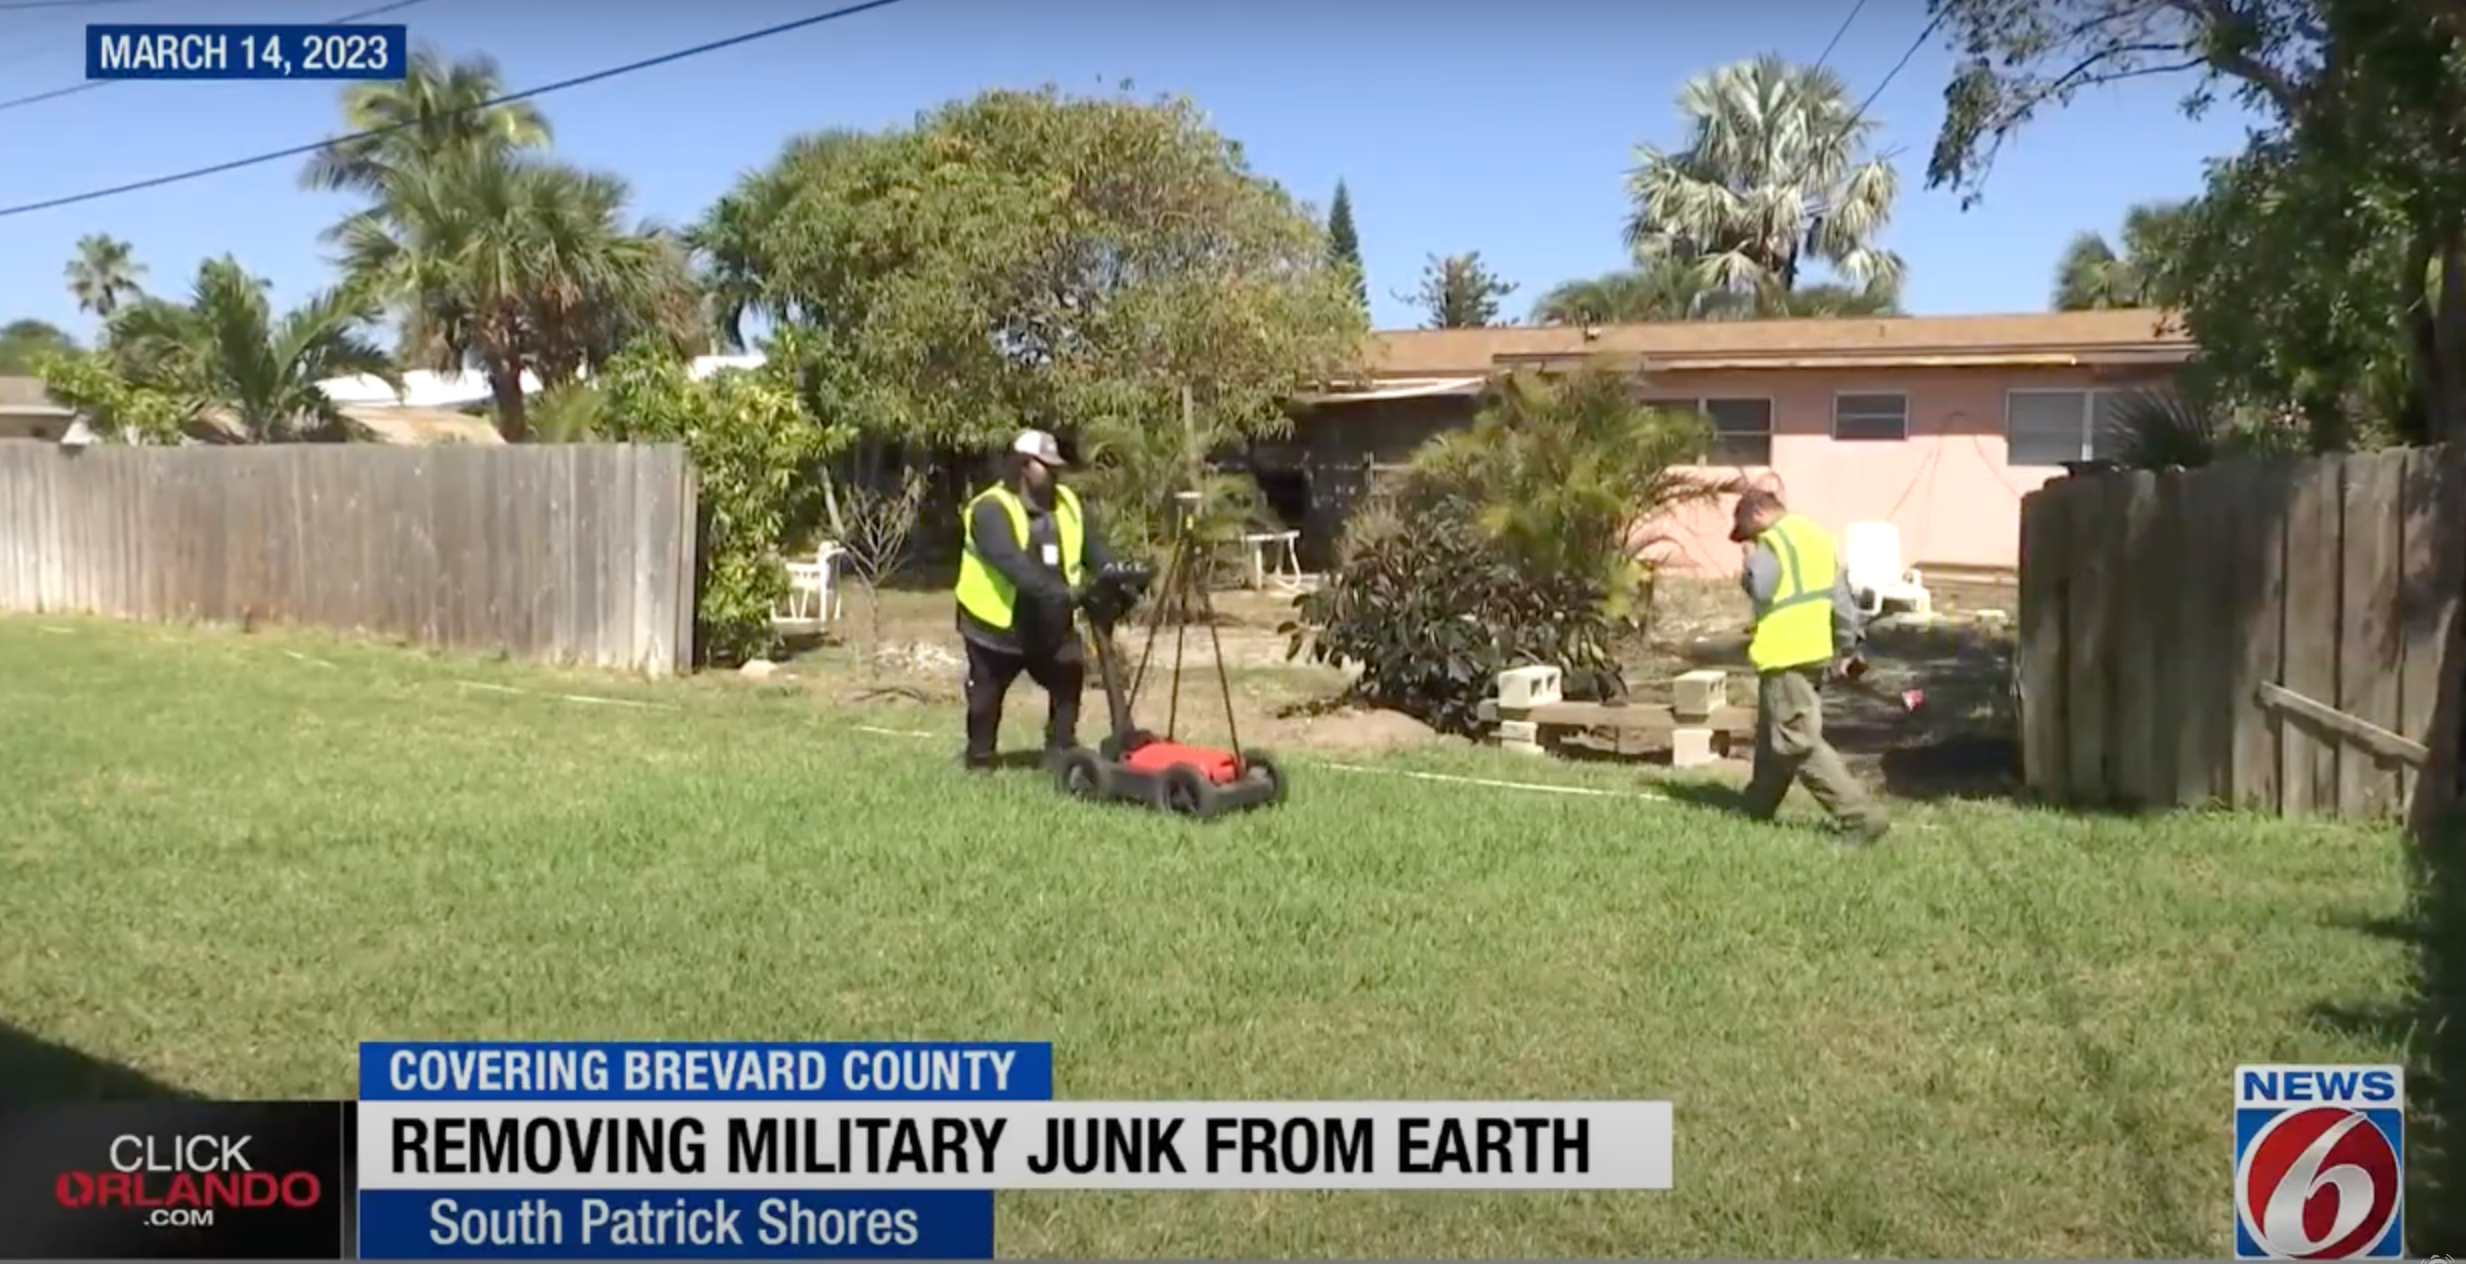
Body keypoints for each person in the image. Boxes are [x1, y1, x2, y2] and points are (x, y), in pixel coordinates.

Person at [1729, 488, 1890, 844]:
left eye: (1747, 531)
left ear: (1757, 515)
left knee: (1795, 741)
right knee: (1777, 734)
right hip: (1813, 652)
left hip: (1784, 652)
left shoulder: (1770, 542)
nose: (1749, 540)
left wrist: (1749, 562)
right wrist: (1847, 646)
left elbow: (1762, 589)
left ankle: (1859, 817)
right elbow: (1842, 602)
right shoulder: (1817, 538)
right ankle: (1756, 806)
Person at [952, 429, 1114, 770]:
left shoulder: (1068, 503)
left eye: (1056, 466)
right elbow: (1015, 567)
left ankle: (1060, 750)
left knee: (1069, 677)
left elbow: (1094, 550)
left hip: (1051, 625)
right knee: (985, 698)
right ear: (1023, 466)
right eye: (1046, 466)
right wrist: (1068, 593)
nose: (1054, 473)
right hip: (995, 627)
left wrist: (1114, 573)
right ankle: (980, 759)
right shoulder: (990, 510)